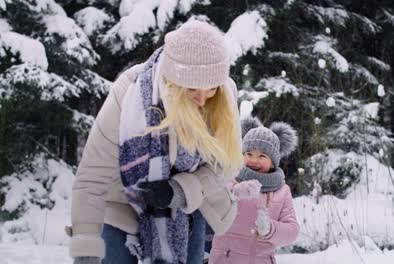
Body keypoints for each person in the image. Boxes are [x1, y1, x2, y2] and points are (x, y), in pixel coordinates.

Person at [68, 20, 244, 264]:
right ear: (173, 82)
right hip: (123, 199)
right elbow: (92, 174)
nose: (203, 100)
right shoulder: (129, 91)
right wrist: (86, 243)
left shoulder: (225, 94)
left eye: (211, 89)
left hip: (189, 205)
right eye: (192, 89)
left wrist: (181, 190)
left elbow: (227, 163)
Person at [208, 117, 300, 264]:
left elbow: (292, 231)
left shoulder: (282, 191)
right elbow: (211, 199)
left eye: (262, 156)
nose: (254, 160)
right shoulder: (230, 177)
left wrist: (271, 229)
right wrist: (234, 191)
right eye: (249, 154)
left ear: (273, 162)